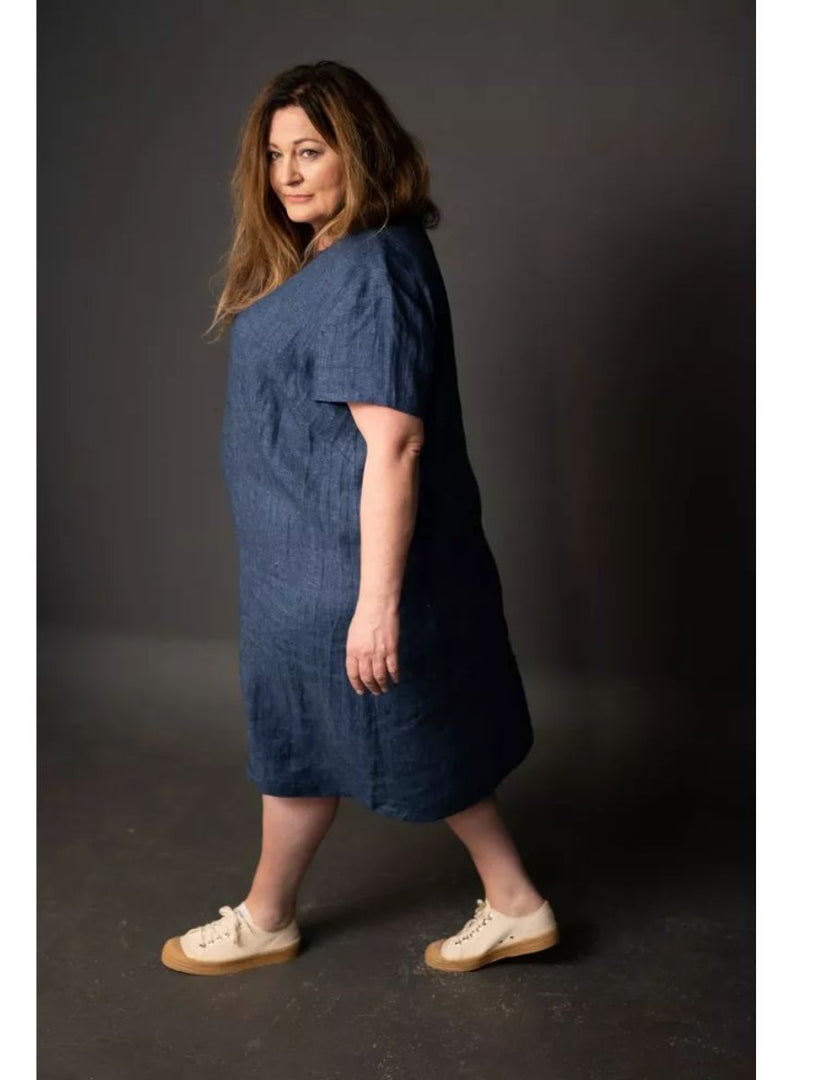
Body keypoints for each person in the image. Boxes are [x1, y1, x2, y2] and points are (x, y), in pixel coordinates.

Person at [161, 61, 559, 977]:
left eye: (311, 151)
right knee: (312, 734)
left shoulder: (371, 267)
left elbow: (398, 446)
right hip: (298, 567)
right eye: (274, 155)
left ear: (361, 154)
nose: (288, 174)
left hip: (343, 568)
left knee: (379, 731)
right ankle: (287, 914)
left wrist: (374, 604)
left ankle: (504, 901)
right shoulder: (339, 259)